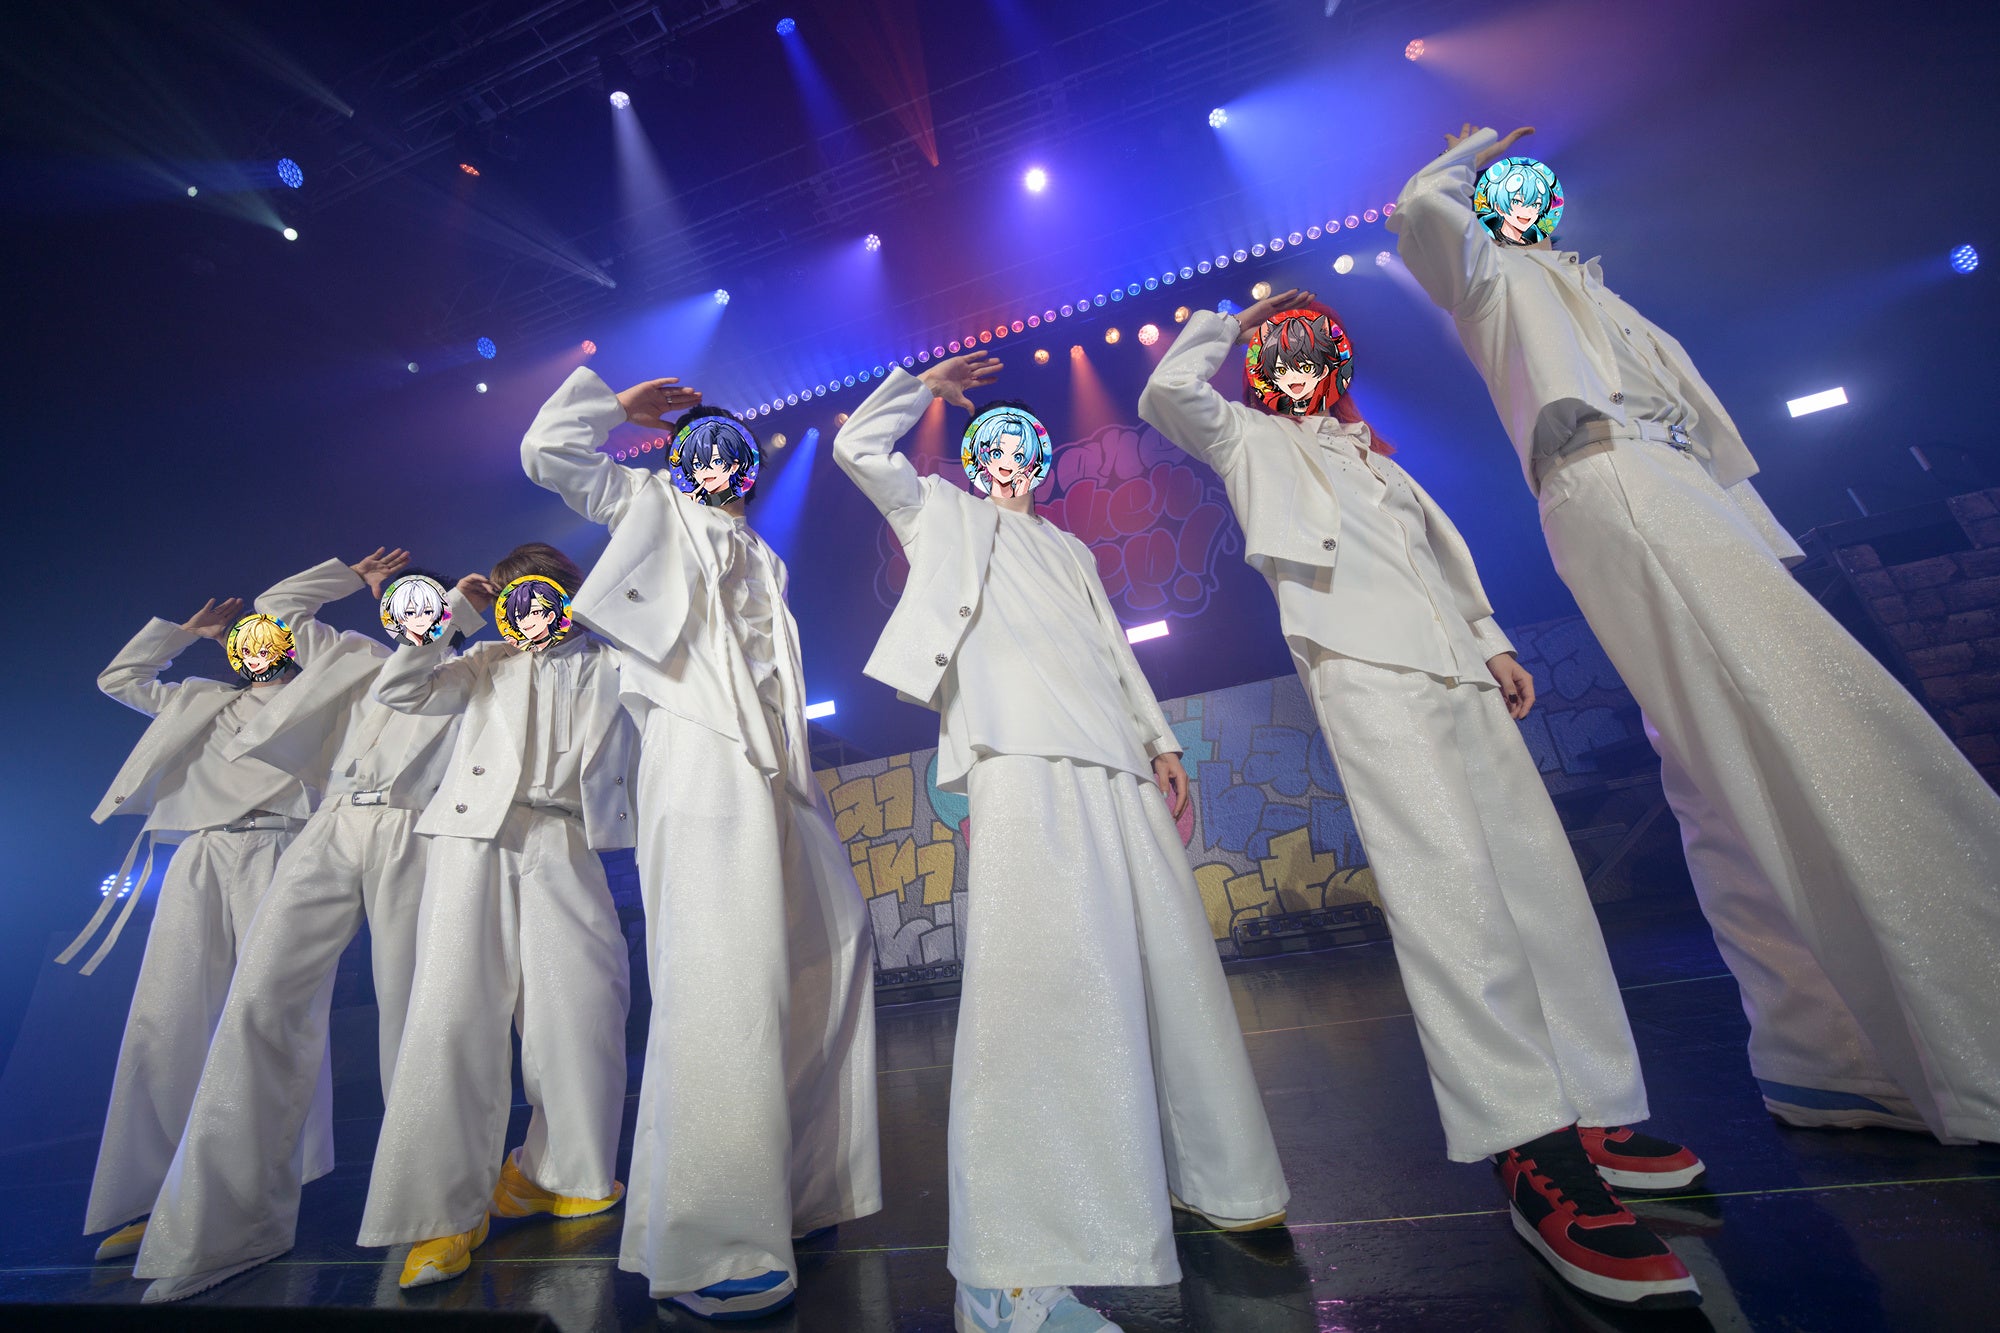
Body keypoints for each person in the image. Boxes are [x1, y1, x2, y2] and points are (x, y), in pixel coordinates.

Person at [1391, 124, 2000, 1146]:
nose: (1526, 199)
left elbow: (1694, 424)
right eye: (1506, 189)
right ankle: (1956, 1032)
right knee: (1801, 721)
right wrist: (1471, 151)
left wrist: (1758, 537)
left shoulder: (1600, 289)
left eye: (1536, 186)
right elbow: (1420, 210)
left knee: (1712, 770)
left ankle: (1821, 1055)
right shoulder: (1490, 278)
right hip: (1611, 478)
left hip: (1682, 486)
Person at [1140, 293, 1703, 1309]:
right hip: (1362, 668)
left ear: (1336, 365)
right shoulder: (1247, 439)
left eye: (1312, 355)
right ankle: (1529, 1148)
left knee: (1540, 891)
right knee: (1453, 900)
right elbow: (1167, 391)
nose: (1298, 369)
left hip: (1456, 666)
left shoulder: (1376, 457)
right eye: (1282, 358)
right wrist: (1237, 317)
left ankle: (1591, 1109)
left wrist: (1487, 638)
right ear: (1262, 371)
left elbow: (1439, 558)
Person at [835, 353, 1291, 1333]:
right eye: (991, 447)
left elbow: (1113, 652)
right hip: (1017, 754)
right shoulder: (941, 516)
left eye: (1022, 447)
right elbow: (856, 447)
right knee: (1034, 985)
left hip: (1113, 757)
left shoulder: (1073, 551)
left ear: (1041, 459)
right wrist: (919, 388)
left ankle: (1213, 1175)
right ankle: (1005, 1273)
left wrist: (1160, 741)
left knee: (1171, 967)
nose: (1008, 459)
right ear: (972, 459)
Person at [523, 371, 880, 1321]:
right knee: (721, 974)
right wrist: (614, 410)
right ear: (681, 461)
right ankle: (711, 1240)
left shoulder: (764, 553)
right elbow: (547, 453)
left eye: (732, 453)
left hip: (778, 768)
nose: (717, 464)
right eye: (702, 451)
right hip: (699, 750)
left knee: (831, 948)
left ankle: (790, 1189)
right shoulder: (651, 504)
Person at [134, 561, 483, 1303]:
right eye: (399, 601)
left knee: (415, 1015)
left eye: (427, 602)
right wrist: (349, 575)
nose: (411, 611)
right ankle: (227, 1228)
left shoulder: (475, 668)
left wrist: (463, 610)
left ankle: (439, 1212)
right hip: (329, 825)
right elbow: (276, 606)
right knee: (258, 1004)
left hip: (416, 832)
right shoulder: (348, 653)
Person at [74, 550, 405, 1261]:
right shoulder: (197, 699)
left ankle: (249, 1190)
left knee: (264, 1017)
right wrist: (181, 632)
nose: (252, 647)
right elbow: (120, 679)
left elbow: (304, 620)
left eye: (264, 637)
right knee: (164, 1019)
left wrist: (352, 579)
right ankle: (157, 1193)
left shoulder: (323, 690)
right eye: (240, 642)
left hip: (283, 849)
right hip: (199, 853)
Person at [354, 543, 637, 1291]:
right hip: (472, 833)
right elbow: (400, 690)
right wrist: (456, 610)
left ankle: (557, 1171)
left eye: (544, 592)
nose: (530, 607)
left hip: (567, 837)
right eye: (514, 595)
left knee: (584, 1005)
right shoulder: (483, 660)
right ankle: (442, 1211)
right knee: (452, 1013)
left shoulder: (614, 659)